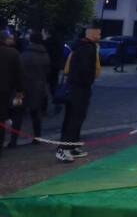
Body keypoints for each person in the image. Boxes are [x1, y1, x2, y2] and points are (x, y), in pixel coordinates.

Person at [56, 26, 101, 163]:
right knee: (73, 119)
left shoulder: (82, 46)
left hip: (78, 87)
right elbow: (83, 69)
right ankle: (64, 149)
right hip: (79, 88)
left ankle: (72, 146)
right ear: (92, 34)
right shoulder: (87, 48)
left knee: (76, 118)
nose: (100, 36)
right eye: (98, 33)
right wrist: (88, 80)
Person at [8, 31, 50, 148]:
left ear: (30, 41)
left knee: (18, 114)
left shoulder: (25, 55)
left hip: (24, 88)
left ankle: (13, 141)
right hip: (39, 87)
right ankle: (37, 137)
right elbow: (47, 72)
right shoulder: (45, 54)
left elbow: (17, 72)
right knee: (36, 114)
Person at [0, 31, 24, 155]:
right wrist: (19, 91)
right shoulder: (13, 53)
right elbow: (19, 74)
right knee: (1, 118)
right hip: (5, 90)